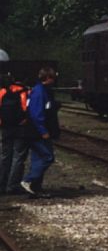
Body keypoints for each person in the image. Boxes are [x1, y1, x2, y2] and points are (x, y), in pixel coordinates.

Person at [21, 66, 60, 196]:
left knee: (38, 158)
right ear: (48, 78)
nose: (54, 80)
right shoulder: (40, 92)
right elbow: (37, 114)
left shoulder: (39, 90)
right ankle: (28, 180)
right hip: (36, 131)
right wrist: (43, 131)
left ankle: (35, 187)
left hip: (33, 130)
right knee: (47, 156)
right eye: (53, 78)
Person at [0, 73, 31, 193]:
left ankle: (2, 184)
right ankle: (12, 185)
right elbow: (26, 109)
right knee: (18, 157)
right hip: (20, 128)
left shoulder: (3, 91)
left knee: (5, 156)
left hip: (6, 128)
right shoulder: (24, 92)